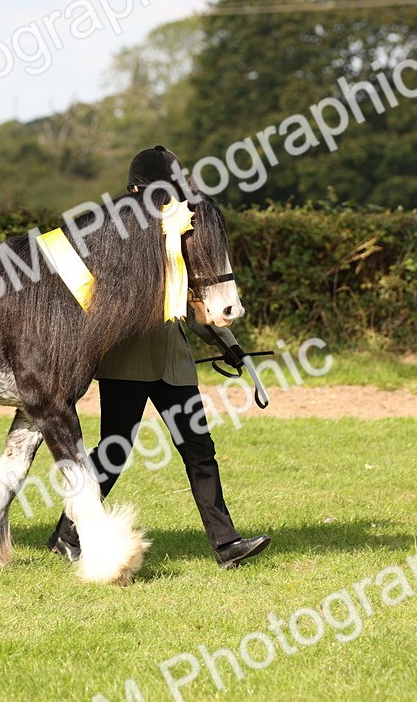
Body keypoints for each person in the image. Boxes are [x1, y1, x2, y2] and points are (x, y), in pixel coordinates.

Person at [45, 145, 271, 569]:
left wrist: (231, 345)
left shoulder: (178, 234)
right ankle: (66, 533)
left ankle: (227, 546)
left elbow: (191, 297)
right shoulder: (118, 237)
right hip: (127, 362)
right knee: (115, 450)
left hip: (174, 362)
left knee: (200, 449)